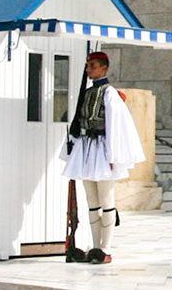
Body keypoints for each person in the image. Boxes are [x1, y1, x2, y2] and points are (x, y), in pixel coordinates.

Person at [60, 49, 146, 264]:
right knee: (92, 201)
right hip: (87, 149)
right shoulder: (88, 93)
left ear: (103, 68)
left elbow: (116, 126)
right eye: (88, 66)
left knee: (106, 199)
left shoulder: (109, 93)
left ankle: (105, 248)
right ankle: (95, 246)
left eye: (92, 66)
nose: (89, 70)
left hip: (103, 150)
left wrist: (113, 155)